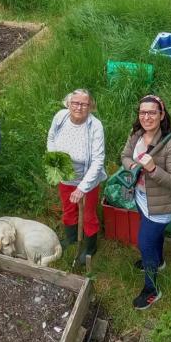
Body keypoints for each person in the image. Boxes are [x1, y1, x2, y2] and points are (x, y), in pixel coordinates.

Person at [120, 95, 171, 309]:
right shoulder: (136, 135)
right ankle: (159, 261)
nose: (146, 117)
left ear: (161, 115)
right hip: (141, 198)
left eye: (152, 112)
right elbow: (125, 156)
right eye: (142, 112)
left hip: (161, 205)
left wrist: (153, 169)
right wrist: (133, 166)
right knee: (152, 238)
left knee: (145, 243)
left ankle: (152, 290)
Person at [46, 89, 106, 265]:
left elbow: (98, 160)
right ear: (68, 104)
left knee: (88, 214)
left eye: (84, 104)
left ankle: (89, 247)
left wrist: (82, 188)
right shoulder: (60, 117)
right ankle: (71, 238)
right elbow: (51, 137)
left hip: (87, 179)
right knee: (68, 207)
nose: (79, 107)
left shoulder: (95, 126)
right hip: (65, 175)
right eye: (75, 103)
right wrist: (55, 159)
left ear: (90, 106)